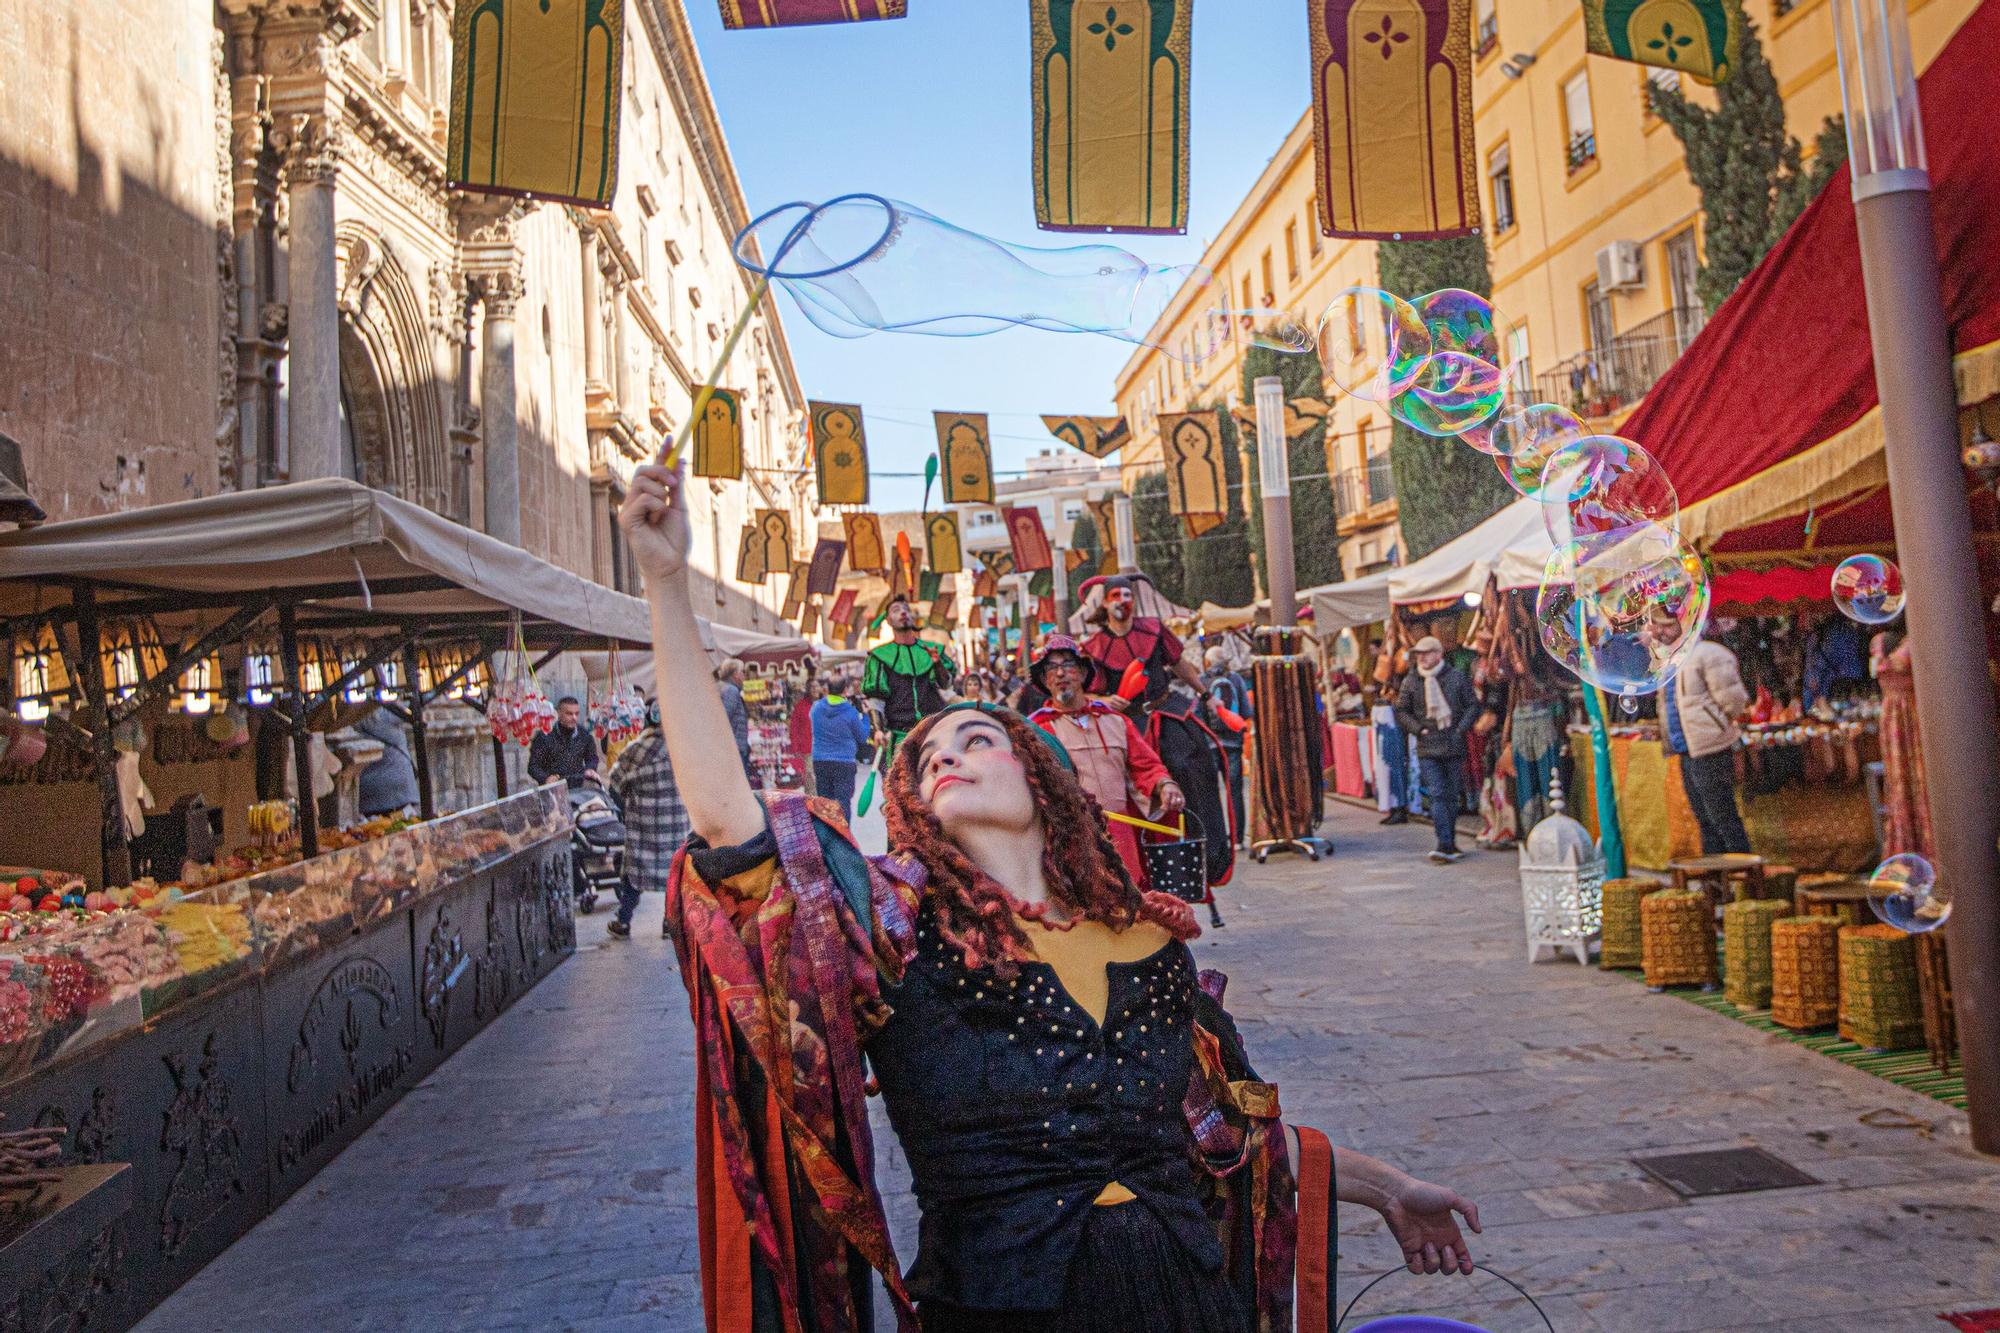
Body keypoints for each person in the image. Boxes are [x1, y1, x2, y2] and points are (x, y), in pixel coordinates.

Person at [618, 455, 1482, 1332]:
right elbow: (733, 830)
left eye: (976, 736)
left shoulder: (1148, 945)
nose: (947, 755)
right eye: (927, 758)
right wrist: (665, 584)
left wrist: (1389, 1189)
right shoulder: (895, 936)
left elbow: (1234, 1138)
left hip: (1186, 1304)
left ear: (1043, 781)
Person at [1078, 573, 1235, 888]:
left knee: (1189, 764)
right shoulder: (1093, 647)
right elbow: (1085, 693)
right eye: (1116, 596)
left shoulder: (1152, 630)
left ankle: (1208, 855)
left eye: (1127, 594)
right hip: (1123, 724)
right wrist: (1104, 699)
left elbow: (1179, 665)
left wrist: (1207, 696)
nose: (1123, 600)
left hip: (1165, 712)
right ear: (1106, 604)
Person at [1027, 636, 1183, 889]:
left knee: (1134, 900)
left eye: (1068, 665)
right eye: (1051, 668)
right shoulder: (1035, 730)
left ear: (1082, 673)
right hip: (1074, 837)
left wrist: (1165, 785)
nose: (1060, 673)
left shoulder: (1115, 721)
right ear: (1045, 680)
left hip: (1123, 832)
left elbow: (1146, 765)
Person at [1650, 607, 1752, 855]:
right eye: (1658, 626)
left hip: (1711, 749)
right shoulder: (1669, 660)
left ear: (1685, 624)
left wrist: (1715, 726)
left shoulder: (1709, 654)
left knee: (1723, 819)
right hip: (1687, 751)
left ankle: (1746, 876)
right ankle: (1717, 883)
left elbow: (1734, 702)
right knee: (1705, 821)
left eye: (1667, 625)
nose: (1661, 632)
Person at [603, 698, 688, 940]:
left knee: (633, 873)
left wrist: (629, 804)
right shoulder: (682, 748)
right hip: (675, 825)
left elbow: (615, 782)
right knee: (674, 875)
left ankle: (623, 920)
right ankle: (669, 923)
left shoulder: (634, 750)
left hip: (642, 824)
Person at [1395, 636, 1477, 864]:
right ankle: (1444, 844)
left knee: (1450, 796)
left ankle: (1449, 842)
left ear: (1438, 654)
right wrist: (1418, 729)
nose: (1422, 657)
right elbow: (1401, 711)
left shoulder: (1455, 678)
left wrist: (1460, 729)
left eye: (1427, 652)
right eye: (1419, 653)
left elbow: (1472, 705)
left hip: (1452, 743)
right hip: (1427, 745)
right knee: (1438, 793)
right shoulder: (1411, 681)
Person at [863, 596, 956, 764]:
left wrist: (937, 664)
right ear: (888, 621)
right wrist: (877, 730)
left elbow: (946, 684)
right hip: (900, 737)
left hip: (933, 733)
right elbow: (876, 700)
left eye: (906, 609)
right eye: (896, 610)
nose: (903, 612)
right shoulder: (880, 656)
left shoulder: (930, 650)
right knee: (901, 788)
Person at [1202, 646, 1252, 849]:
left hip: (1211, 744)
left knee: (1212, 793)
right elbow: (1246, 712)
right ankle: (1238, 839)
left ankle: (1218, 840)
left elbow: (1197, 714)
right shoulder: (1236, 680)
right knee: (1235, 791)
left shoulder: (1202, 681)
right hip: (1233, 744)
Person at [809, 673, 873, 820]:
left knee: (824, 803)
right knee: (843, 803)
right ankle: (843, 839)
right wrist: (866, 716)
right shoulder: (850, 713)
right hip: (843, 763)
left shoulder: (816, 708)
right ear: (845, 690)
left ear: (827, 689)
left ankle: (827, 837)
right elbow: (862, 737)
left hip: (820, 761)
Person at [353, 707, 418, 817]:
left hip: (367, 790)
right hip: (399, 787)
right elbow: (413, 710)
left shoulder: (352, 719)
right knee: (403, 828)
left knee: (375, 830)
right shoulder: (387, 712)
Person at [527, 695, 600, 788]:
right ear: (559, 713)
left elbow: (592, 758)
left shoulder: (584, 735)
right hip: (552, 789)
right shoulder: (544, 736)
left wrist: (590, 768)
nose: (574, 717)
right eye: (569, 714)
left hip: (578, 789)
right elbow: (533, 766)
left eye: (576, 713)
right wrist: (545, 778)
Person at [715, 662, 754, 781]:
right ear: (735, 674)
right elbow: (724, 717)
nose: (744, 675)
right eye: (742, 672)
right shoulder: (731, 690)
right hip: (735, 747)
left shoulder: (725, 688)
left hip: (734, 746)